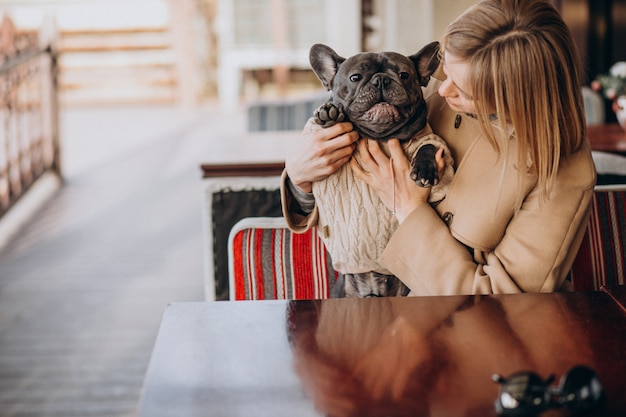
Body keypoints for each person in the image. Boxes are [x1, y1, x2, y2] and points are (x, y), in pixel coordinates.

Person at [281, 0, 596, 295]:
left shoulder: (562, 170)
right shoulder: (417, 96)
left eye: (464, 90)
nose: (442, 89)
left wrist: (407, 207)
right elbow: (342, 199)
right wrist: (299, 177)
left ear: (517, 97)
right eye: (445, 70)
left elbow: (504, 301)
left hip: (459, 332)